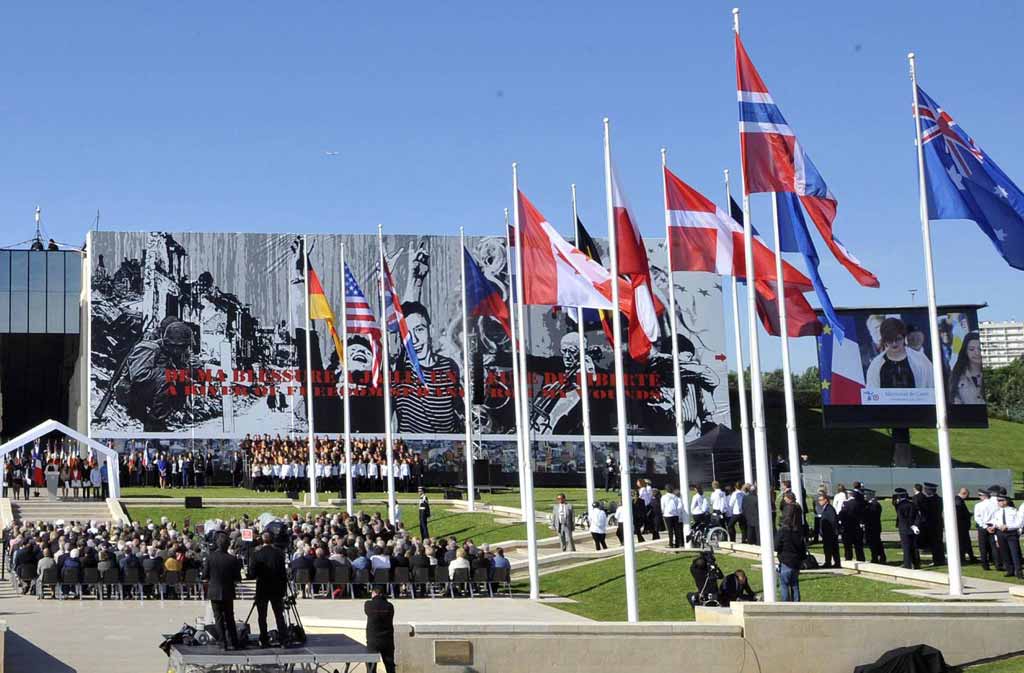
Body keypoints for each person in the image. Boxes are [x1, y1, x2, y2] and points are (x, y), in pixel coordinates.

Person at [123, 320, 193, 432]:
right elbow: (139, 376)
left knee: (183, 379)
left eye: (182, 347)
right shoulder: (150, 348)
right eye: (175, 346)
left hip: (151, 389)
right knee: (167, 378)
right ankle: (154, 425)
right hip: (131, 392)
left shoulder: (175, 353)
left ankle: (168, 416)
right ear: (167, 342)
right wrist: (170, 374)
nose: (177, 350)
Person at [865, 317, 934, 390]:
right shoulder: (876, 365)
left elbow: (932, 387)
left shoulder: (921, 360)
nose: (894, 343)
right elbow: (872, 393)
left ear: (904, 338)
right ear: (884, 340)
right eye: (890, 340)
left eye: (898, 339)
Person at [248, 532, 289, 648]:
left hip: (263, 588)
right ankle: (283, 639)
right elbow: (283, 573)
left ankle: (264, 639)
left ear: (262, 540)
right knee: (279, 615)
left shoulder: (257, 554)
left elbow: (252, 573)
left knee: (262, 616)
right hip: (276, 588)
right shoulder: (279, 553)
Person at [206, 533, 244, 650]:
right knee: (230, 618)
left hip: (214, 590)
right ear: (228, 545)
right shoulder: (232, 559)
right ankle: (233, 641)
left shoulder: (210, 557)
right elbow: (237, 578)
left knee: (218, 618)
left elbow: (205, 574)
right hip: (227, 591)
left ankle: (222, 643)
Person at [986, 494, 1023, 579]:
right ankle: (1009, 570)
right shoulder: (997, 512)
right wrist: (993, 526)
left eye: (1002, 500)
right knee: (1004, 552)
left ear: (1007, 501)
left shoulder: (1014, 511)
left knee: (1015, 553)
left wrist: (1008, 526)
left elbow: (1019, 523)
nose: (1000, 502)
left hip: (1011, 533)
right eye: (998, 501)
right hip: (1000, 533)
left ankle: (1019, 571)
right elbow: (995, 521)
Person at [775, 504, 806, 602]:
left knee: (784, 585)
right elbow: (802, 548)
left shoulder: (783, 531)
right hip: (796, 562)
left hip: (785, 561)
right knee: (795, 585)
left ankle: (785, 605)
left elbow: (776, 546)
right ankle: (797, 604)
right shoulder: (798, 532)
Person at [364, 586, 396, 673]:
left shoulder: (368, 604)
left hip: (373, 641)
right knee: (390, 667)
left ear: (374, 593)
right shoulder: (389, 606)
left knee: (371, 668)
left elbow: (367, 612)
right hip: (387, 640)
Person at [950, 332, 984, 405]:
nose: (977, 353)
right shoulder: (957, 375)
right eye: (971, 349)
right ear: (965, 351)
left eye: (980, 349)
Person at [894, 488, 921, 570]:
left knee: (906, 547)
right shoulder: (912, 504)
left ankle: (907, 564)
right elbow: (917, 516)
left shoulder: (899, 505)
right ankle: (916, 564)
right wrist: (915, 525)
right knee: (914, 546)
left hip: (904, 528)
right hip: (913, 528)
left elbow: (902, 518)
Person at [920, 482, 945, 566]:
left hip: (933, 524)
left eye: (926, 489)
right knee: (937, 543)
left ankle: (938, 560)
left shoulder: (932, 500)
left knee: (936, 543)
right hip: (936, 524)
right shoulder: (939, 499)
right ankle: (939, 559)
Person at [975, 489, 1001, 571]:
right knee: (994, 547)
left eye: (980, 495)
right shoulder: (995, 505)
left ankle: (985, 565)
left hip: (983, 527)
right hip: (993, 526)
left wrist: (985, 527)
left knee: (983, 547)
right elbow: (997, 517)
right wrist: (993, 526)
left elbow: (977, 518)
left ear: (984, 496)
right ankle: (997, 564)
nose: (979, 497)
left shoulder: (978, 505)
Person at [838, 485, 866, 562]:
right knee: (858, 547)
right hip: (857, 528)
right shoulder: (859, 504)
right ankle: (861, 560)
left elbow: (841, 515)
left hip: (847, 528)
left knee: (848, 548)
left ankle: (848, 560)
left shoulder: (846, 504)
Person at [863, 488, 886, 564]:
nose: (865, 496)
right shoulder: (870, 504)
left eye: (866, 495)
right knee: (874, 542)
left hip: (873, 527)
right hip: (871, 526)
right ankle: (879, 557)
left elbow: (871, 515)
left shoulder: (875, 504)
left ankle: (876, 557)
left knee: (874, 543)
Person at [818, 493, 841, 569]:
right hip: (827, 533)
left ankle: (830, 562)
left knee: (830, 548)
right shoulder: (825, 508)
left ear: (826, 500)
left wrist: (833, 532)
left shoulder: (829, 509)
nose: (819, 502)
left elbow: (833, 521)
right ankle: (831, 562)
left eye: (821, 500)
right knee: (830, 548)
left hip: (830, 533)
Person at [955, 487, 978, 564]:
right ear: (964, 494)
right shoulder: (958, 500)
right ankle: (962, 558)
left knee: (966, 542)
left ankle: (971, 556)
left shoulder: (959, 500)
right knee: (962, 542)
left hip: (962, 526)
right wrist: (968, 515)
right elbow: (960, 514)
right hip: (961, 526)